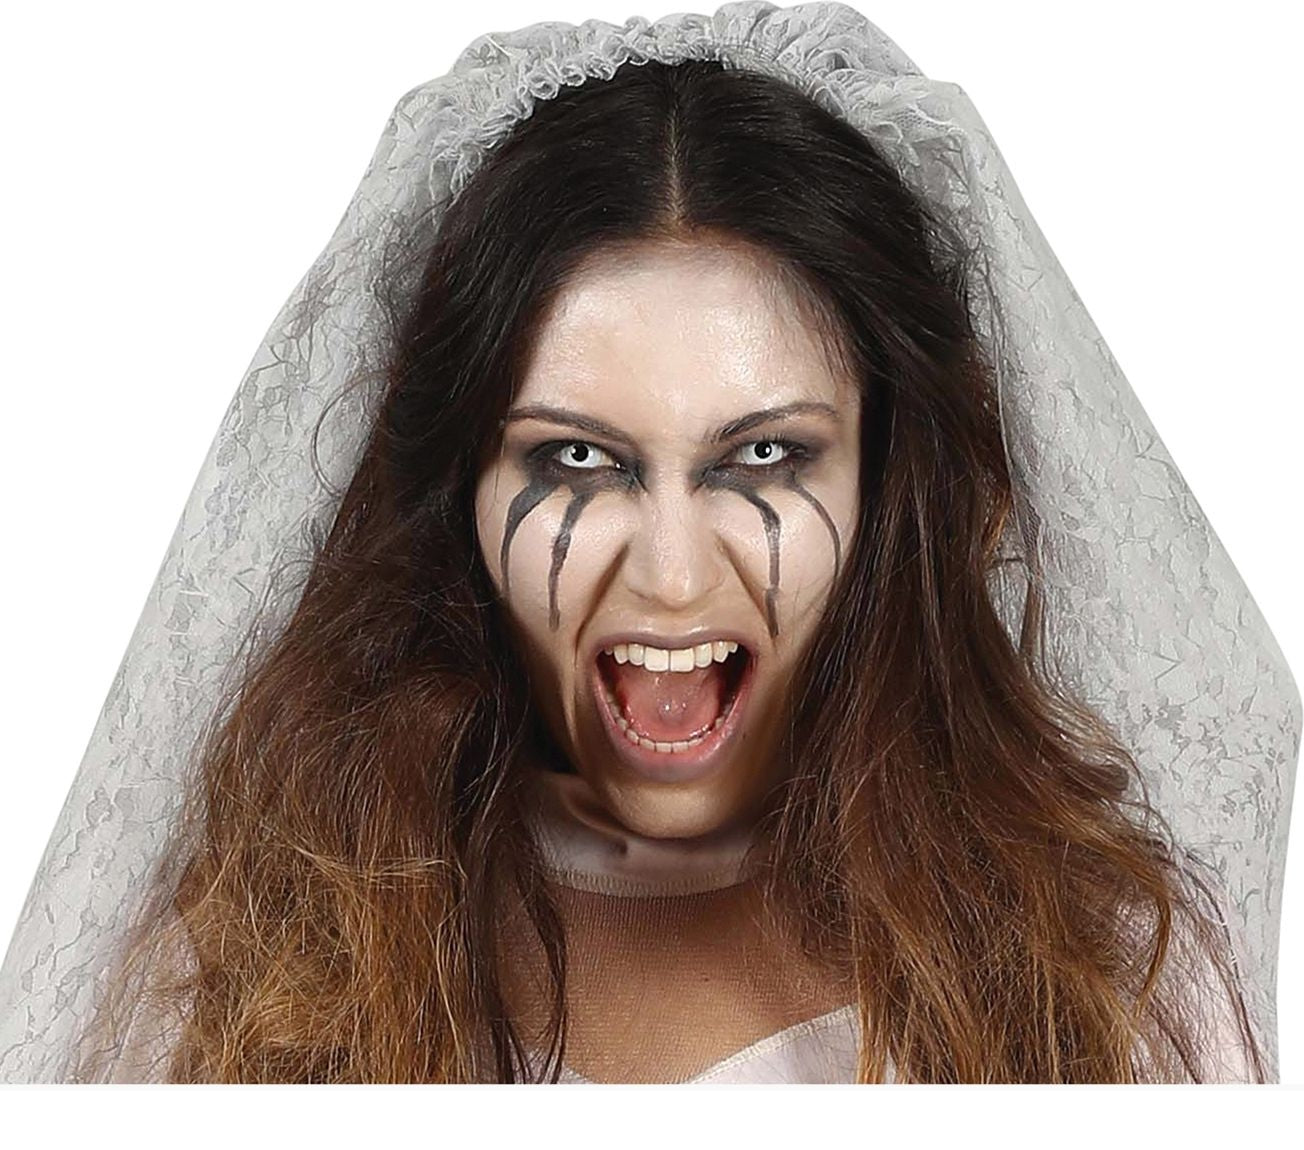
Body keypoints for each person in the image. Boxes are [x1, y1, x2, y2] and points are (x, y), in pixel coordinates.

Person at [0, 1, 1296, 1084]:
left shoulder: (1102, 977)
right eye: (578, 460)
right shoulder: (246, 979)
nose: (672, 578)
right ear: (456, 488)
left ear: (892, 480)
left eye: (765, 456)